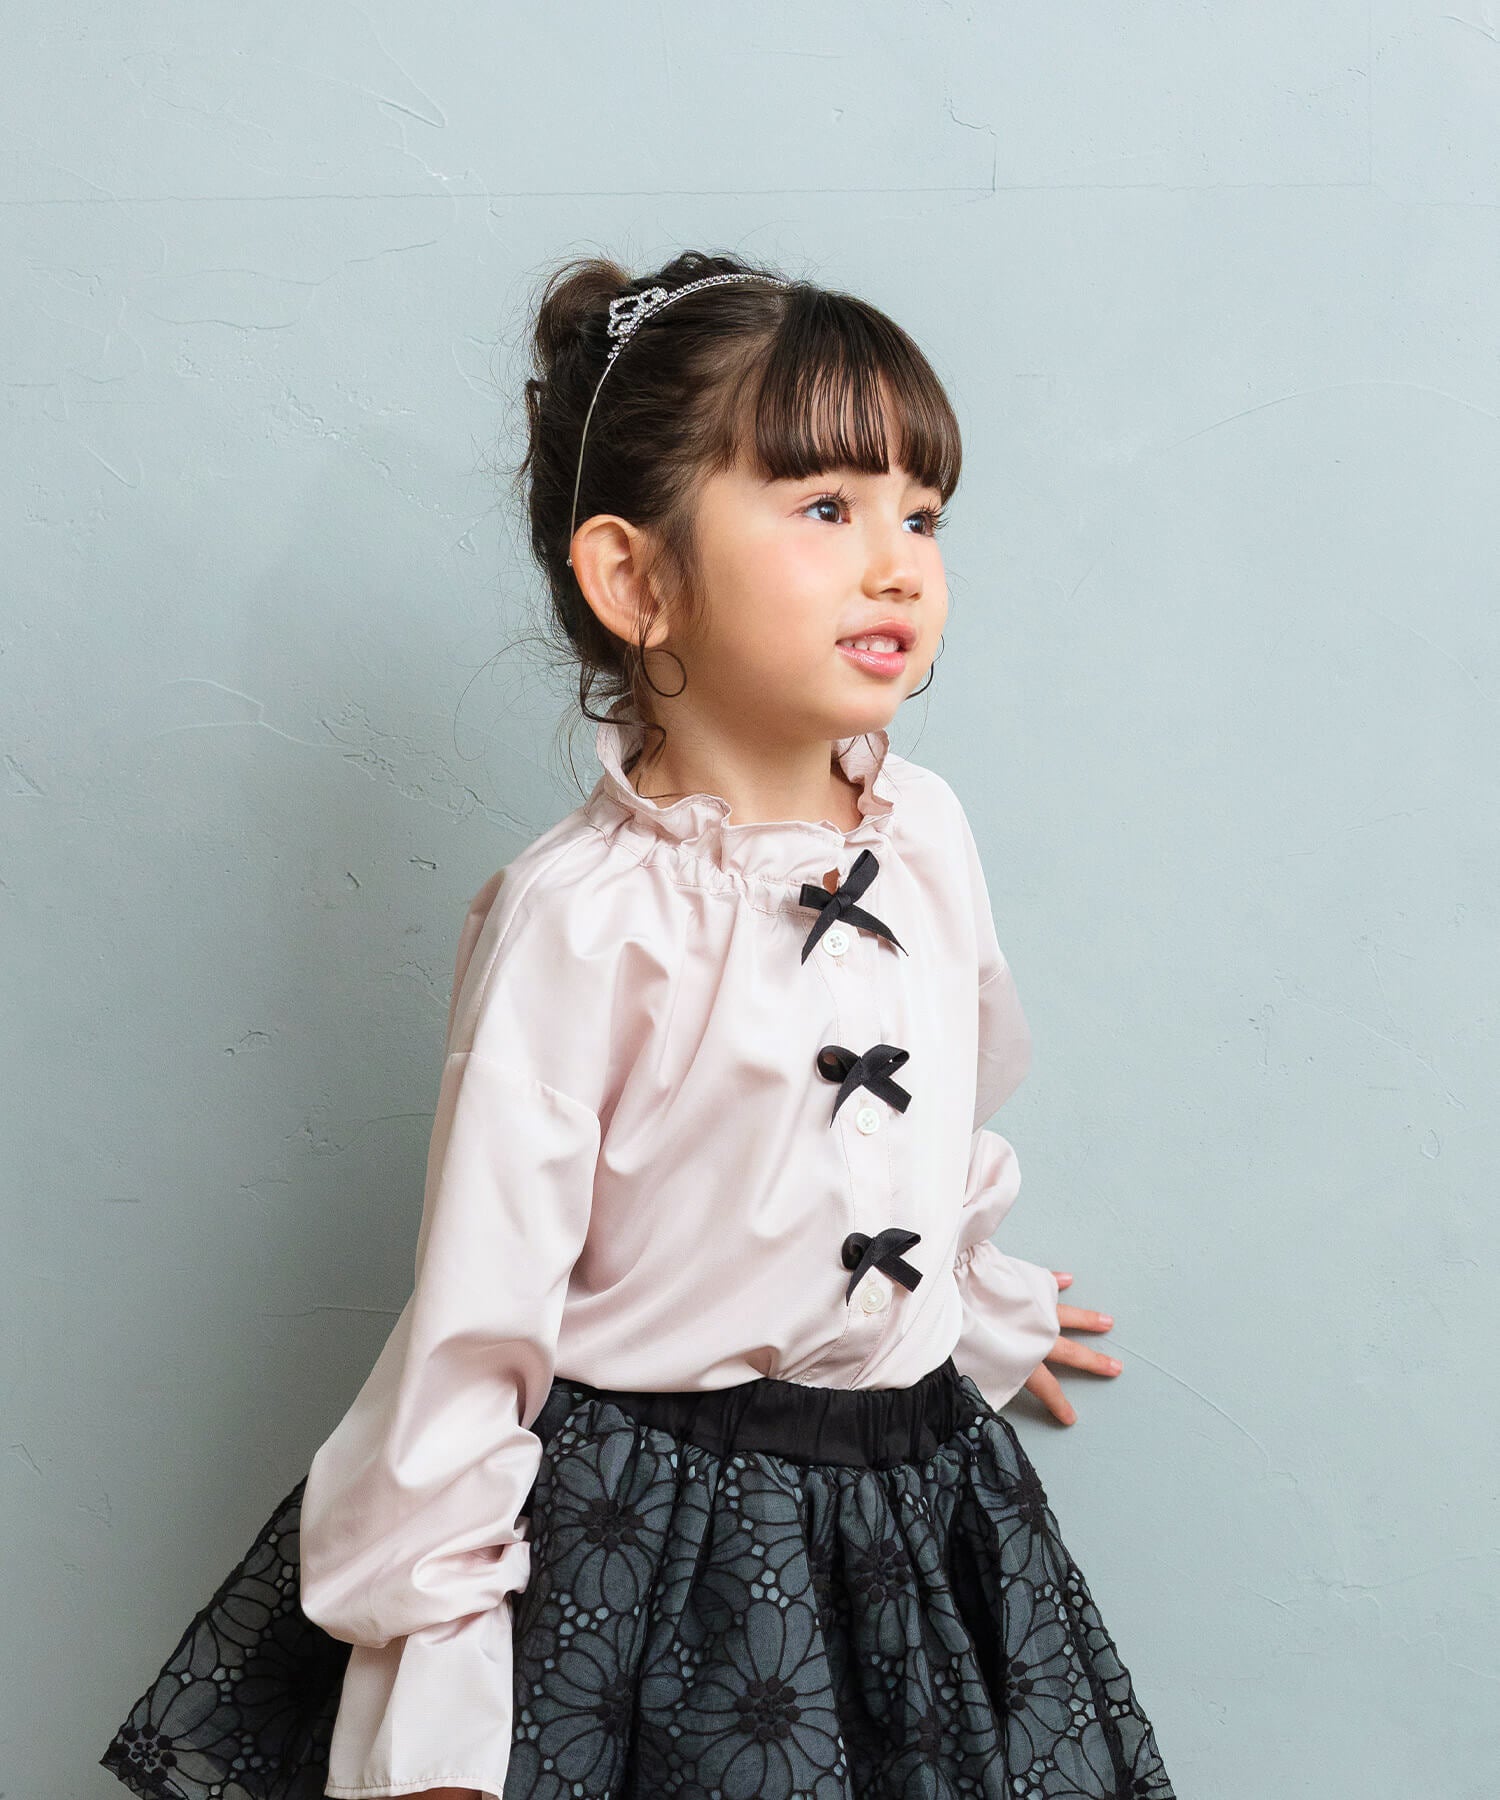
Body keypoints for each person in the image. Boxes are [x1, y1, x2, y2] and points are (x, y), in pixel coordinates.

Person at [100, 249, 1176, 1800]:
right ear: (635, 580)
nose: (898, 564)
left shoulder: (928, 836)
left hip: (908, 1522)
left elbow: (942, 1111)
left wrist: (972, 1297)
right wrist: (441, 1737)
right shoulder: (582, 919)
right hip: (661, 1555)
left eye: (923, 515)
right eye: (827, 508)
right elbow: (478, 1324)